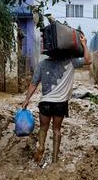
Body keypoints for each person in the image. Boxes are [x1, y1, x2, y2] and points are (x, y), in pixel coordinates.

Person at [22, 34, 91, 164]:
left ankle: (41, 147)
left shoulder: (42, 64)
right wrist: (84, 44)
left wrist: (26, 100)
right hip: (60, 104)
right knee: (57, 130)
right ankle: (54, 159)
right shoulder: (71, 61)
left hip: (45, 103)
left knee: (43, 128)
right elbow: (88, 60)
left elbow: (33, 83)